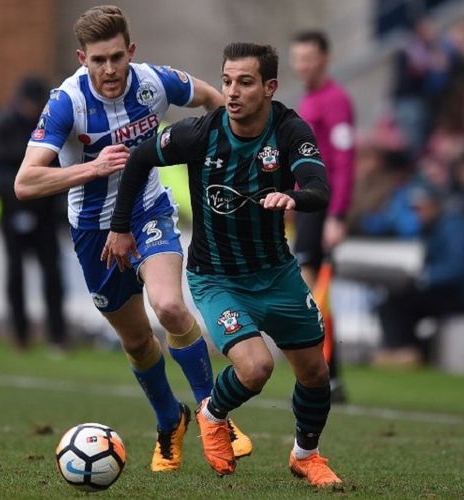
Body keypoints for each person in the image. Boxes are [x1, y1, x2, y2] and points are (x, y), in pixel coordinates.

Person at [12, 5, 251, 472]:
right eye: (98, 60)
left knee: (169, 306)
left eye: (116, 57)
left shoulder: (154, 82)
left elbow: (210, 98)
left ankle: (211, 415)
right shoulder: (67, 103)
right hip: (92, 232)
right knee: (139, 341)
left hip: (149, 211)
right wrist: (92, 167)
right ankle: (170, 420)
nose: (108, 70)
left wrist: (232, 154)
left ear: (131, 52)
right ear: (83, 58)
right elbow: (25, 182)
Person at [103, 42, 341, 487]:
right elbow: (140, 158)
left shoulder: (290, 131)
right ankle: (213, 414)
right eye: (227, 81)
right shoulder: (201, 133)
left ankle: (305, 455)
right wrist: (121, 227)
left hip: (276, 272)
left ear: (270, 87)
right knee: (256, 368)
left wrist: (294, 196)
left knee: (315, 372)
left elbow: (318, 187)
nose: (231, 92)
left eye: (245, 82)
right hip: (217, 278)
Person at [289, 30, 356, 402]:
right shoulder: (310, 99)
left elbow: (345, 161)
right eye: (297, 58)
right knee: (311, 292)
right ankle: (327, 378)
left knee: (314, 293)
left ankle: (326, 377)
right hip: (306, 208)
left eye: (308, 58)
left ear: (325, 59)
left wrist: (339, 214)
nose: (302, 65)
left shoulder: (336, 101)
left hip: (322, 208)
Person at [0, 76, 68, 351]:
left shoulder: (49, 126)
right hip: (12, 213)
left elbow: (59, 170)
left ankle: (57, 334)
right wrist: (14, 204)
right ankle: (20, 334)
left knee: (53, 275)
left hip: (44, 213)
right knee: (15, 276)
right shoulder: (4, 127)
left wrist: (53, 209)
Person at [374, 181, 464, 366]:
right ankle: (403, 349)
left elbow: (459, 268)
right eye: (415, 209)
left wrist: (424, 277)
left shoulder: (456, 226)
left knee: (400, 302)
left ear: (435, 204)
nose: (418, 213)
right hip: (443, 291)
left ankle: (405, 350)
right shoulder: (433, 227)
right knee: (394, 301)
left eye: (421, 207)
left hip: (460, 297)